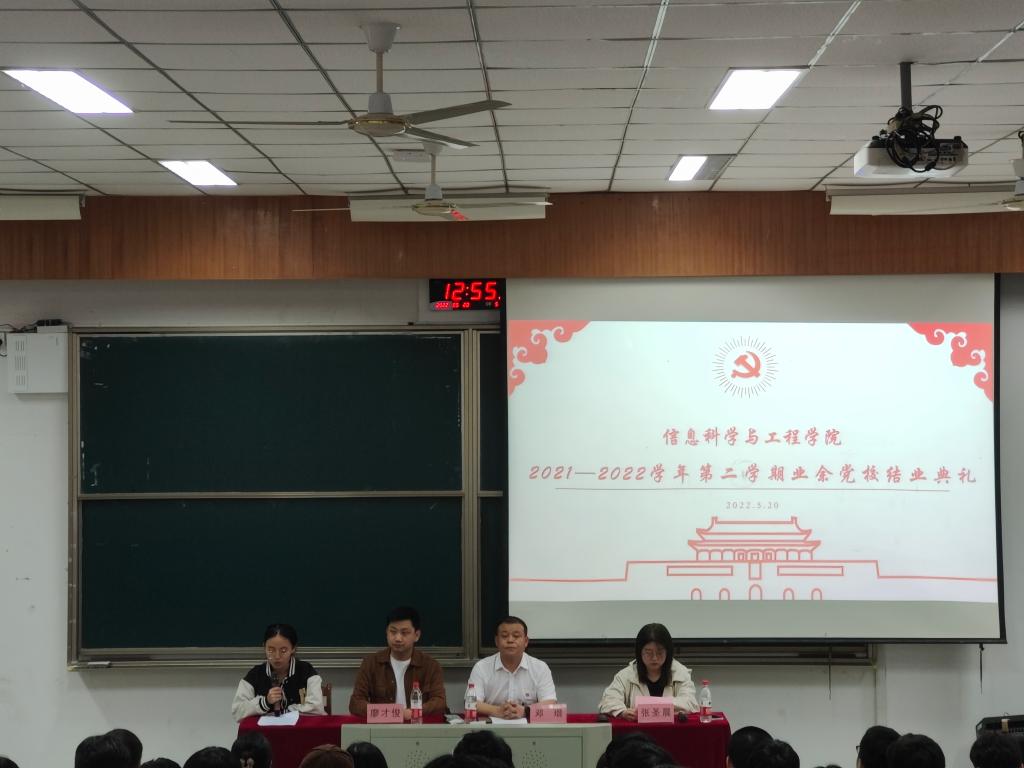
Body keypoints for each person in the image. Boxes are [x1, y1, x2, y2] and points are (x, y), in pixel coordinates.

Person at [349, 606, 446, 720]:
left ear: (417, 635)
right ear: (386, 632)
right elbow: (356, 704)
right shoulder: (371, 663)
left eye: (404, 633)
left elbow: (440, 703)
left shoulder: (431, 666)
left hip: (417, 726)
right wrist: (393, 714)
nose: (398, 638)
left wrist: (412, 713)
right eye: (393, 632)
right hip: (382, 727)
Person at [598, 622, 698, 720]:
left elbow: (690, 703)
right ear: (639, 652)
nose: (654, 658)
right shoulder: (626, 675)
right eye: (648, 652)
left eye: (659, 652)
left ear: (668, 652)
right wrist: (622, 712)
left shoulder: (680, 673)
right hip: (637, 730)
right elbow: (608, 700)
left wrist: (652, 705)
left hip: (671, 729)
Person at [467, 616, 556, 720]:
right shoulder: (481, 667)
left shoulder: (540, 668)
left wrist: (525, 711)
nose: (510, 640)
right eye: (504, 636)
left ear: (526, 641)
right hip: (491, 727)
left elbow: (550, 703)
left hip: (528, 727)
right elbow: (471, 702)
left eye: (516, 636)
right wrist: (497, 711)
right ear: (496, 641)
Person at [232, 623, 325, 721]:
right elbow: (237, 711)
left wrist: (285, 712)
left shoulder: (306, 671)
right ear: (264, 647)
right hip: (265, 730)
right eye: (271, 650)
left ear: (293, 648)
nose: (277, 656)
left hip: (299, 729)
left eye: (283, 650)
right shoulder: (255, 674)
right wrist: (265, 702)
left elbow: (317, 708)